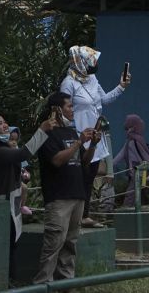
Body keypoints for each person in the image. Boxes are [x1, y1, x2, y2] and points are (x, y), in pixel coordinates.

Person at [0, 113, 55, 284]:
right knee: (8, 248)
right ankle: (8, 282)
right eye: (0, 123)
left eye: (5, 122)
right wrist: (41, 130)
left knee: (12, 246)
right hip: (2, 206)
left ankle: (10, 281)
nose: (5, 126)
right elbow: (24, 154)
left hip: (11, 204)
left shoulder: (4, 147)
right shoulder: (0, 152)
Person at [60, 45, 130, 228]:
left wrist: (121, 87)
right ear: (80, 62)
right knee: (80, 175)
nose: (95, 63)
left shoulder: (92, 78)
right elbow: (63, 110)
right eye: (92, 60)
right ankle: (75, 216)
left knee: (90, 175)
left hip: (95, 135)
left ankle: (85, 215)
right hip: (78, 136)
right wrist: (73, 134)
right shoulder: (69, 83)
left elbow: (104, 100)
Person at [33, 92, 100, 283]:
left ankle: (66, 284)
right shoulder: (46, 134)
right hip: (58, 198)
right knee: (53, 244)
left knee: (70, 244)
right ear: (57, 109)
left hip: (77, 195)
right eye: (69, 106)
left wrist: (92, 144)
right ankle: (43, 284)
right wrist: (79, 141)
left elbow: (84, 161)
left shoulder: (71, 131)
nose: (73, 110)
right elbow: (56, 161)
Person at [113, 114, 149, 207]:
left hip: (138, 172)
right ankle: (133, 216)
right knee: (136, 195)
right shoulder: (133, 140)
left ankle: (126, 215)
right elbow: (122, 155)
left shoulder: (133, 141)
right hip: (137, 172)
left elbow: (143, 155)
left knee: (131, 195)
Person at [8, 127, 33, 215]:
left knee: (24, 187)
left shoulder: (18, 151)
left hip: (17, 181)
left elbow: (24, 168)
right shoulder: (4, 151)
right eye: (11, 139)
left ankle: (22, 206)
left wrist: (26, 174)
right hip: (7, 180)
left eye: (16, 140)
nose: (14, 142)